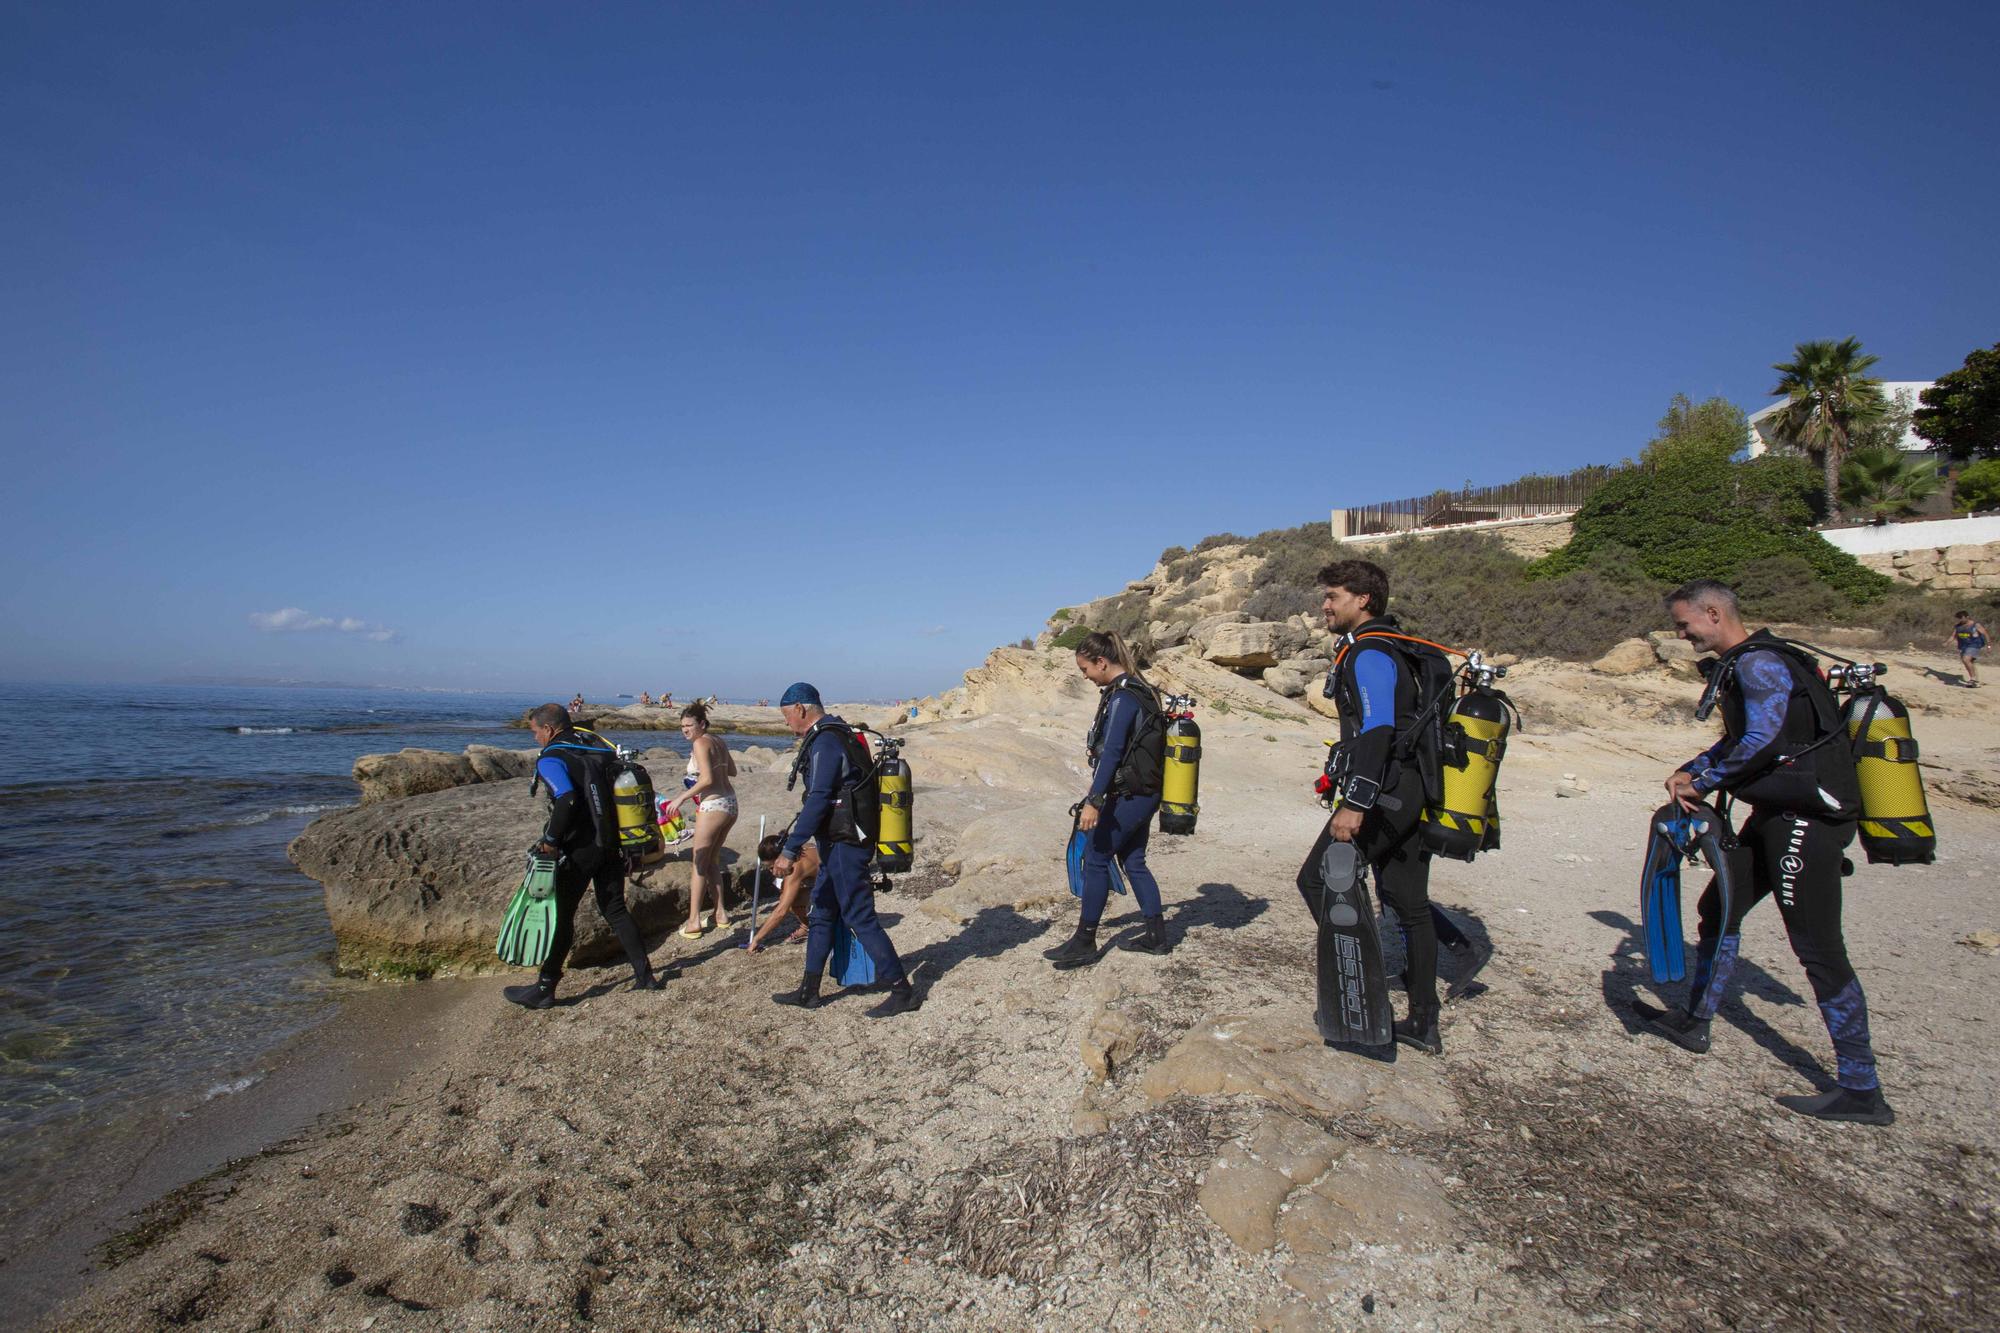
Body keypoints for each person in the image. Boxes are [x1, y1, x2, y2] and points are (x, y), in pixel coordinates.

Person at [1640, 579, 1892, 1125]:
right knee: (1717, 910)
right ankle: (1695, 1020)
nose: (1681, 634)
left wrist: (1702, 783)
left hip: (1807, 821)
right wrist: (1696, 768)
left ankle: (1861, 1088)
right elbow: (1742, 739)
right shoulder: (1753, 661)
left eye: (1685, 624)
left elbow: (1764, 742)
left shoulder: (1757, 664)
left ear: (1713, 613)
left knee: (1818, 947)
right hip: (1775, 815)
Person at [1296, 559, 1444, 1055]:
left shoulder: (1372, 652)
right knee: (1407, 901)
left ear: (1363, 600)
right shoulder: (1394, 647)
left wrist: (1355, 803)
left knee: (1316, 879)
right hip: (1413, 787)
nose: (1325, 605)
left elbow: (1379, 727)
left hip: (1386, 791)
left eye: (1333, 596)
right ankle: (1424, 1021)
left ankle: (1361, 988)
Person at [769, 683, 918, 1017]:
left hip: (846, 844)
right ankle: (808, 991)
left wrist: (791, 850)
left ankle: (902, 990)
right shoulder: (840, 733)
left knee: (859, 916)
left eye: (786, 716)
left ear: (801, 709)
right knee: (821, 912)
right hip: (839, 840)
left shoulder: (826, 740)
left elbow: (820, 797)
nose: (786, 724)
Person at [504, 704, 664, 1009]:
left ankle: (545, 988)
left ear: (549, 729)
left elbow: (566, 797)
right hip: (612, 845)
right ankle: (645, 977)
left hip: (580, 849)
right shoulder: (596, 749)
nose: (536, 737)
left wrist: (551, 841)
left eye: (535, 731)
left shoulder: (552, 757)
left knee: (561, 915)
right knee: (615, 909)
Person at [1043, 631, 1171, 968]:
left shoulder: (1123, 698)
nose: (1085, 676)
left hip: (1129, 795)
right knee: (1134, 861)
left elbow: (1113, 751)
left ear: (1102, 662)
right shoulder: (1140, 690)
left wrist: (1094, 801)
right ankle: (1156, 936)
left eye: (1086, 669)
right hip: (1146, 793)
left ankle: (1085, 940)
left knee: (1096, 857)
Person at [676, 701, 738, 937]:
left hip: (713, 805)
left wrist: (681, 798)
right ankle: (720, 913)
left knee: (699, 864)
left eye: (689, 725)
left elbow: (707, 780)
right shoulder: (718, 741)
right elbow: (731, 771)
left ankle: (693, 922)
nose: (685, 730)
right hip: (731, 804)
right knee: (712, 860)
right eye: (682, 726)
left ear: (701, 724)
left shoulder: (700, 743)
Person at [746, 833, 816, 951]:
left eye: (772, 866)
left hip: (844, 889)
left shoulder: (796, 867)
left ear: (780, 859)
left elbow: (781, 911)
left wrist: (757, 938)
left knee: (791, 900)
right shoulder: (801, 849)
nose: (772, 871)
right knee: (787, 892)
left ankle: (808, 927)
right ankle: (806, 926)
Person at [1951, 610, 1988, 687]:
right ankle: (1976, 681)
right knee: (1970, 662)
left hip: (1974, 645)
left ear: (1967, 617)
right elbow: (1953, 636)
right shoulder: (1958, 626)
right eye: (1958, 618)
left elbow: (1985, 634)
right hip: (1963, 646)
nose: (1960, 620)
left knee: (1966, 659)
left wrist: (1989, 645)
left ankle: (1973, 679)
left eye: (1961, 618)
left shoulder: (1976, 625)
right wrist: (1947, 643)